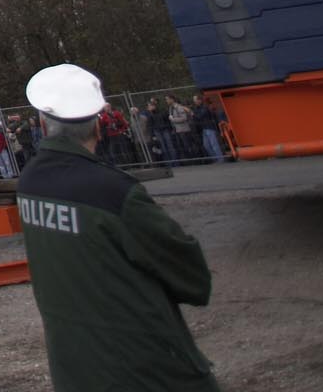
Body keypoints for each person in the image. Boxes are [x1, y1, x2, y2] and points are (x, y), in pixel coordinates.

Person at [18, 62, 220, 391]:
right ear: (98, 127)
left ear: (42, 124)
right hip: (143, 369)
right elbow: (191, 275)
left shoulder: (30, 182)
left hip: (75, 367)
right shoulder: (114, 192)